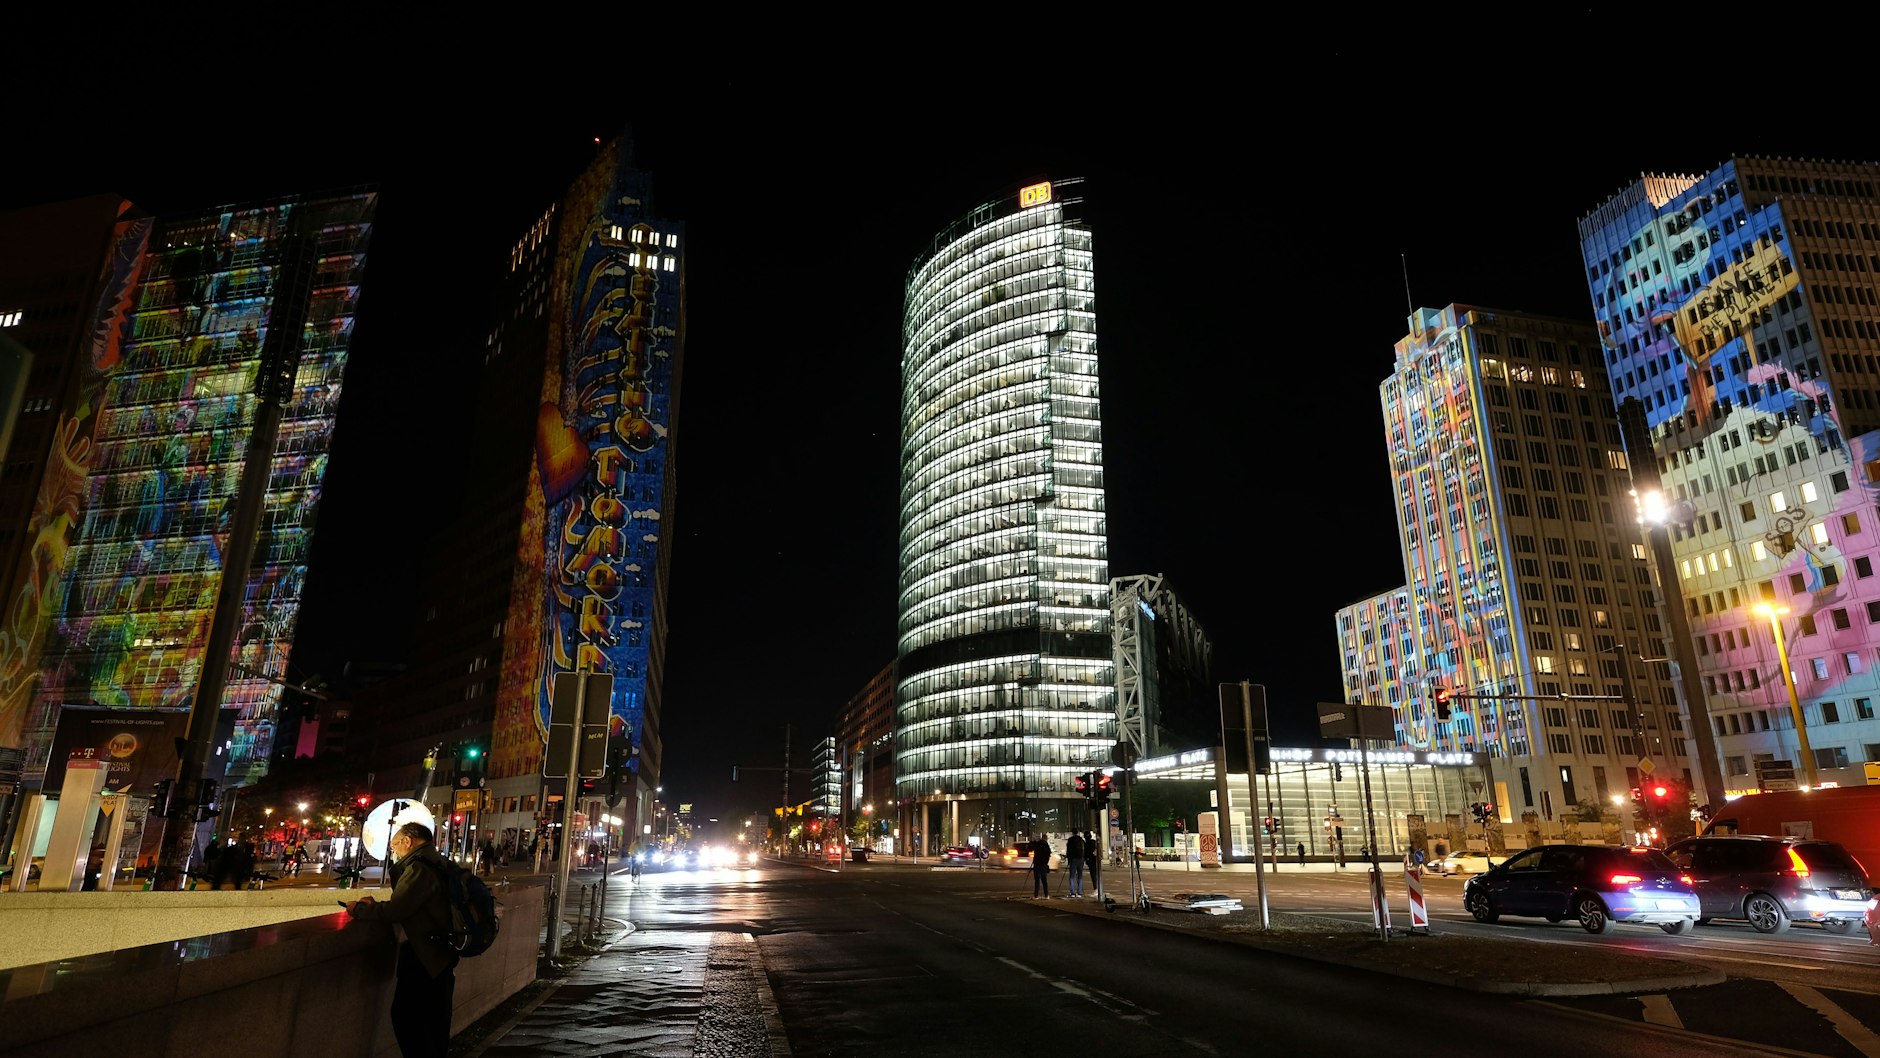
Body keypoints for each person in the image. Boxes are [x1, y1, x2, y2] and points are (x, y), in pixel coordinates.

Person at [345, 822, 458, 1058]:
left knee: (407, 1018)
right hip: (444, 950)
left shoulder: (419, 868)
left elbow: (398, 910)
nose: (394, 852)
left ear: (408, 841)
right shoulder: (442, 862)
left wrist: (360, 910)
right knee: (435, 1021)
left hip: (424, 954)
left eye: (394, 846)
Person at [1064, 830, 1085, 897]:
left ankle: (1072, 892)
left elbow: (1069, 850)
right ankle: (1079, 892)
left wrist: (1068, 859)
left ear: (1072, 833)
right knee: (1080, 876)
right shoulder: (1081, 839)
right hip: (1080, 859)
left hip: (1073, 859)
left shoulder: (1070, 840)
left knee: (1072, 876)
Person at [1083, 830, 1102, 899]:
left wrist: (1086, 858)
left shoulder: (1086, 843)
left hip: (1091, 861)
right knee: (1097, 875)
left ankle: (1096, 889)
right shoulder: (1094, 842)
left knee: (1093, 875)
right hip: (1096, 860)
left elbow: (1086, 853)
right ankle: (1098, 889)